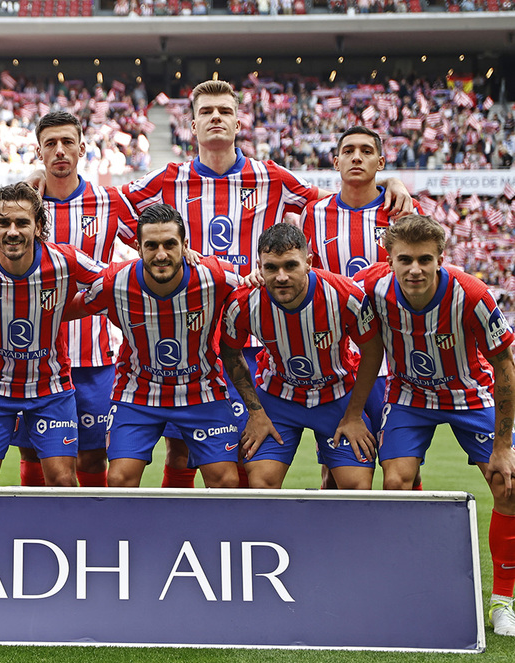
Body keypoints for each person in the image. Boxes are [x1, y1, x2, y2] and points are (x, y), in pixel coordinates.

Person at [120, 80, 413, 487]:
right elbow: (109, 205)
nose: (216, 118)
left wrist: (389, 185)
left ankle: (253, 521)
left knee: (249, 453)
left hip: (255, 331)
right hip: (194, 332)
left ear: (239, 122)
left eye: (225, 111)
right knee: (181, 449)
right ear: (192, 125)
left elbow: (339, 195)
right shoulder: (168, 178)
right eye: (206, 112)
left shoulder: (271, 176)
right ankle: (186, 523)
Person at [355, 215, 515, 637]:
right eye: (405, 259)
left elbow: (505, 366)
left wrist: (503, 446)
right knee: (395, 483)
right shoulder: (371, 286)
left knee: (508, 484)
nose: (415, 269)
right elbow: (323, 288)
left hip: (470, 396)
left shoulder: (472, 294)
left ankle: (503, 602)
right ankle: (412, 583)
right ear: (389, 259)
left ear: (441, 259)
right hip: (409, 396)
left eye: (425, 259)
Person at [0, 182, 105, 486]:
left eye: (22, 222)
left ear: (38, 227)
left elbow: (116, 280)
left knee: (63, 481)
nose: (12, 231)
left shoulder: (65, 261)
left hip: (50, 390)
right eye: (4, 223)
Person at [67, 203, 241, 487]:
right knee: (120, 479)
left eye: (170, 244)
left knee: (226, 481)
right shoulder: (114, 282)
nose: (161, 254)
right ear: (138, 247)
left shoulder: (217, 276)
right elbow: (63, 311)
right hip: (138, 391)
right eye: (152, 245)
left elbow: (257, 300)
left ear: (185, 245)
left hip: (201, 391)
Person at [13, 111, 138, 488]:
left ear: (82, 148)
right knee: (32, 452)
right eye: (50, 144)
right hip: (33, 355)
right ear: (39, 152)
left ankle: (92, 521)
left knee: (93, 454)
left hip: (93, 358)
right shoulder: (22, 207)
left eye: (67, 142)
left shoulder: (109, 202)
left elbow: (152, 246)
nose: (60, 150)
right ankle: (37, 521)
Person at [301, 125, 422, 490]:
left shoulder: (402, 212)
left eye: (366, 151)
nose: (357, 157)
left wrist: (396, 185)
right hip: (336, 363)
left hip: (393, 362)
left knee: (404, 472)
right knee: (335, 473)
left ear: (380, 162)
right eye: (349, 151)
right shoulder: (314, 213)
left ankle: (410, 530)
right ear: (335, 161)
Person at [221, 223, 381, 489]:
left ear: (308, 262)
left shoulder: (344, 295)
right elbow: (230, 354)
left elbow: (373, 352)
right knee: (261, 482)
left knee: (356, 487)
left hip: (337, 395)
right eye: (271, 267)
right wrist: (256, 413)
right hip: (277, 398)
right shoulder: (243, 303)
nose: (281, 276)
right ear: (259, 267)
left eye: (290, 265)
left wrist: (354, 415)